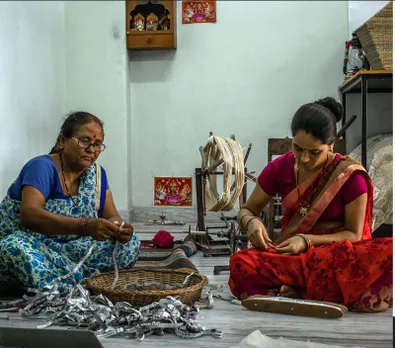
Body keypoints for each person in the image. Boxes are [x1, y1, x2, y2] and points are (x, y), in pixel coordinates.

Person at [229, 97, 393, 312]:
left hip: (337, 258)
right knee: (240, 263)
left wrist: (306, 240)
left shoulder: (350, 176)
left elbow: (354, 235)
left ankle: (296, 290)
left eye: (315, 152)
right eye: (298, 149)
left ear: (331, 145)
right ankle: (311, 290)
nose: (304, 158)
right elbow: (248, 209)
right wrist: (251, 222)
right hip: (294, 257)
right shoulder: (280, 167)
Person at [0, 112, 140, 293]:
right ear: (62, 140)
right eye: (84, 141)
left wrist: (118, 228)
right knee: (14, 248)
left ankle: (67, 280)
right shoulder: (42, 167)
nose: (91, 149)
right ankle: (85, 282)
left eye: (97, 144)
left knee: (130, 245)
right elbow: (30, 215)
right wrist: (85, 226)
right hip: (35, 245)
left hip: (70, 250)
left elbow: (111, 214)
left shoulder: (96, 174)